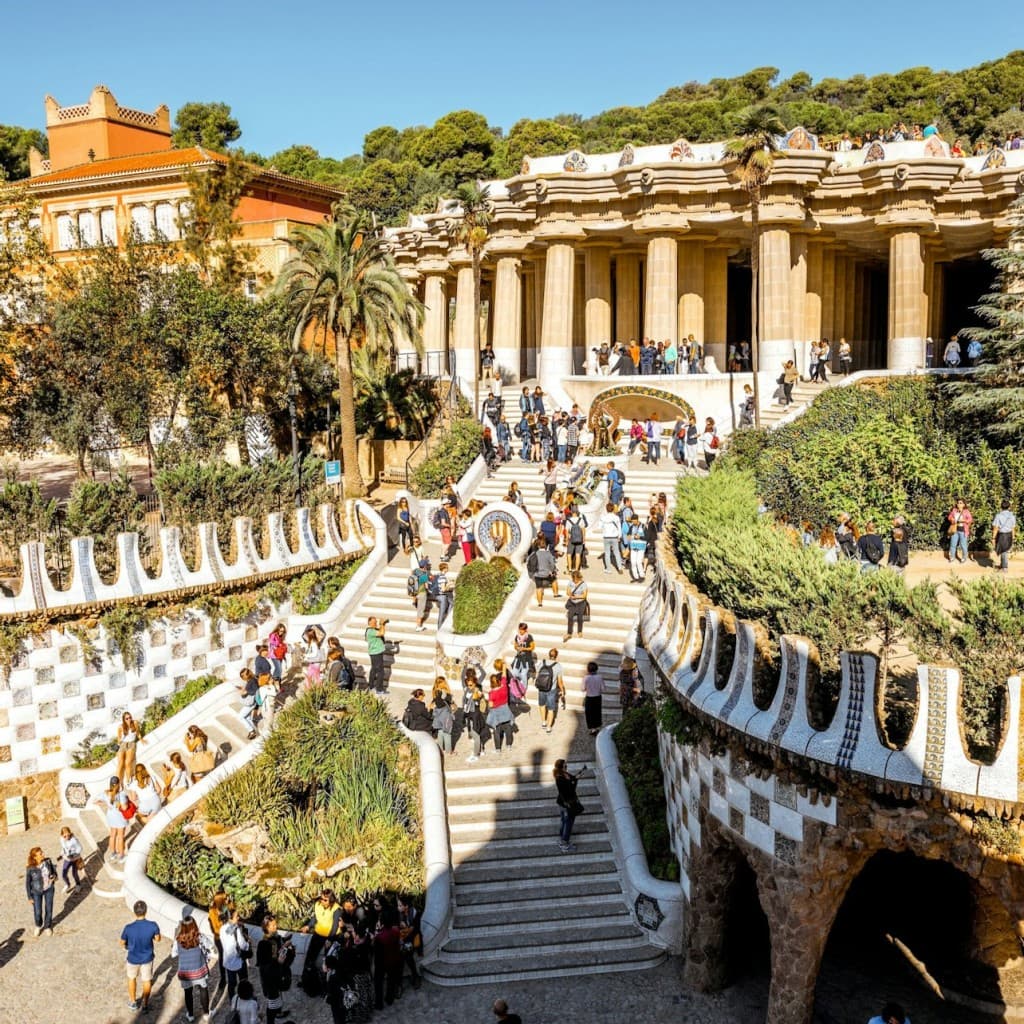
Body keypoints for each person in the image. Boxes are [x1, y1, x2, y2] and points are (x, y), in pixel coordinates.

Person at [172, 913, 215, 1023]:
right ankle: (206, 1013)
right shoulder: (199, 937)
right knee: (203, 989)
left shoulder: (178, 940)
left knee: (188, 992)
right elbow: (211, 947)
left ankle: (190, 1015)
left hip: (185, 972)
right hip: (199, 970)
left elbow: (173, 954)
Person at [121, 899, 161, 1013]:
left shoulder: (128, 928)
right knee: (147, 980)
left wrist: (127, 947)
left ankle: (133, 1002)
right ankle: (145, 1004)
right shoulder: (153, 926)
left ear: (134, 912)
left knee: (131, 978)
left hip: (133, 958)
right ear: (146, 911)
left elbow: (122, 943)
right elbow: (158, 939)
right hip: (147, 958)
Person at [256, 915, 295, 1024]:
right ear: (266, 928)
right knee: (272, 1003)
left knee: (277, 999)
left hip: (276, 976)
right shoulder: (263, 944)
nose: (275, 926)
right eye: (272, 925)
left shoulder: (275, 937)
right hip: (270, 981)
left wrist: (285, 944)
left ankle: (278, 1012)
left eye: (275, 924)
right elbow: (264, 966)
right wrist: (278, 961)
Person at [302, 890, 344, 983]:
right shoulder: (318, 905)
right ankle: (305, 979)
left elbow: (335, 926)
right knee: (310, 957)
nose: (322, 901)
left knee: (328, 961)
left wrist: (330, 939)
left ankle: (326, 984)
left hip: (331, 936)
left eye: (325, 900)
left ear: (331, 900)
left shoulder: (336, 909)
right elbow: (315, 918)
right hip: (318, 934)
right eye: (321, 899)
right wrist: (308, 926)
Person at [372, 904, 403, 1010]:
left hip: (381, 963)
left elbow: (377, 953)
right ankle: (389, 999)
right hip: (393, 961)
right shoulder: (396, 932)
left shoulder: (379, 937)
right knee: (391, 981)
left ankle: (379, 1003)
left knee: (378, 983)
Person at [95, 775, 130, 863]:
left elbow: (95, 801)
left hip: (111, 816)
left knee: (113, 835)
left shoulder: (106, 793)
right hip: (120, 817)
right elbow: (125, 808)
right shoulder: (121, 794)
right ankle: (121, 855)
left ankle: (113, 854)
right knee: (120, 836)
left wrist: (107, 804)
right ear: (119, 784)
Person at [220, 906, 252, 1002]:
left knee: (231, 984)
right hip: (238, 961)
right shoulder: (236, 930)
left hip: (228, 961)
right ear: (230, 918)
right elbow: (242, 945)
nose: (238, 918)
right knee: (243, 981)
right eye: (236, 916)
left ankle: (232, 1000)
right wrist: (248, 943)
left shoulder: (222, 928)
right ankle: (245, 998)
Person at [554, 760, 586, 853]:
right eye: (565, 766)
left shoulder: (564, 774)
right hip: (567, 804)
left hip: (565, 803)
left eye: (566, 766)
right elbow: (570, 790)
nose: (566, 767)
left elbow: (572, 779)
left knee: (564, 820)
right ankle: (564, 844)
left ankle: (562, 836)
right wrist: (575, 781)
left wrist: (576, 777)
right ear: (560, 768)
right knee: (568, 823)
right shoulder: (560, 779)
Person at [25, 846, 56, 936]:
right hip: (36, 892)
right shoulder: (30, 868)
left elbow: (54, 872)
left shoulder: (48, 861)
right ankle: (38, 925)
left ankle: (47, 926)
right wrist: (29, 897)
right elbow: (27, 883)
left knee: (49, 909)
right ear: (35, 857)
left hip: (49, 889)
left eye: (42, 852)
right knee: (38, 911)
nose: (43, 854)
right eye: (40, 854)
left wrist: (53, 877)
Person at [535, 649, 565, 734]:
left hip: (541, 687)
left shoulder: (542, 662)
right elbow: (560, 682)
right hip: (551, 689)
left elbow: (538, 673)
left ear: (549, 655)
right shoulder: (558, 666)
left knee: (542, 705)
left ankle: (543, 722)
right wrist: (562, 691)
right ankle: (548, 727)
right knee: (551, 709)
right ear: (556, 656)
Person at [396, 896, 422, 990]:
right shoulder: (400, 914)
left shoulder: (414, 913)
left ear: (406, 906)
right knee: (402, 957)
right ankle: (413, 977)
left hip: (412, 939)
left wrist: (406, 927)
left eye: (400, 905)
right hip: (403, 939)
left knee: (407, 956)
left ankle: (414, 977)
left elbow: (415, 929)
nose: (398, 907)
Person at [462, 671, 488, 762]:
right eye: (468, 685)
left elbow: (479, 698)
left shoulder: (477, 691)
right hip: (470, 715)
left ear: (474, 683)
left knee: (476, 735)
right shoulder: (467, 690)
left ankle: (476, 754)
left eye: (471, 685)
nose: (469, 686)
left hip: (475, 715)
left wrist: (478, 694)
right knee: (476, 734)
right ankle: (481, 750)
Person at [486, 673, 515, 754]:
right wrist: (504, 663)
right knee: (508, 730)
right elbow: (504, 676)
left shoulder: (491, 693)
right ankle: (509, 745)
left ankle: (498, 749)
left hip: (497, 716)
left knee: (497, 733)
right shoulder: (504, 688)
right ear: (499, 681)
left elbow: (491, 705)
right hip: (506, 713)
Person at [207, 890, 229, 995]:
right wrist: (223, 922)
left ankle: (229, 975)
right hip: (219, 938)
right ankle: (223, 978)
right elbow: (215, 928)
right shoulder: (213, 911)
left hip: (228, 936)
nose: (227, 899)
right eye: (225, 898)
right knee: (222, 957)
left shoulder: (228, 906)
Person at [115, 711, 143, 786]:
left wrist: (142, 739)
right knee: (120, 764)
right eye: (127, 718)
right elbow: (118, 738)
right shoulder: (120, 727)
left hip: (131, 744)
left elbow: (138, 733)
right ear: (124, 719)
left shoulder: (135, 723)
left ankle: (128, 779)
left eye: (130, 717)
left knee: (127, 763)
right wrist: (120, 741)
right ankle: (116, 782)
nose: (129, 719)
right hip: (123, 744)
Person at [364, 616, 388, 694]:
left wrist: (382, 624)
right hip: (376, 653)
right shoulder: (371, 631)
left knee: (374, 669)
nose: (375, 624)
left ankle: (371, 685)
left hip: (374, 652)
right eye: (374, 622)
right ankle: (379, 689)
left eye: (376, 622)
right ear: (369, 623)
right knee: (381, 671)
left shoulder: (371, 630)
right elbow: (382, 633)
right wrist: (382, 624)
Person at [992, 498, 1017, 572]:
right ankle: (1002, 564)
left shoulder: (998, 516)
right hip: (1009, 534)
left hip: (1002, 535)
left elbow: (995, 528)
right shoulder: (1012, 516)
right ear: (1009, 507)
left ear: (1001, 507)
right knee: (1005, 550)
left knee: (1003, 551)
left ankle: (1004, 567)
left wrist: (993, 537)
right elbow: (1013, 527)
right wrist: (1013, 536)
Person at [58, 826, 84, 894]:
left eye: (68, 835)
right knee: (64, 874)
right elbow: (63, 848)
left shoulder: (74, 840)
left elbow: (80, 848)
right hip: (67, 859)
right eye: (65, 836)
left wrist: (74, 854)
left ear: (70, 833)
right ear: (62, 835)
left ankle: (78, 885)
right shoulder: (62, 840)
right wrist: (61, 855)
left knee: (74, 873)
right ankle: (67, 884)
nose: (66, 837)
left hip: (75, 859)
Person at [600, 502, 624, 574]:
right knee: (617, 552)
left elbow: (600, 526)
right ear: (613, 509)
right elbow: (619, 528)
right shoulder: (616, 518)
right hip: (614, 537)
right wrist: (619, 536)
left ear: (606, 509)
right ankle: (619, 567)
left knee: (607, 553)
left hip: (606, 536)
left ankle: (608, 569)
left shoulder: (603, 517)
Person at [564, 570, 588, 641]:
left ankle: (580, 631)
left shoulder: (583, 584)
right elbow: (567, 591)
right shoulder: (570, 583)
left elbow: (584, 595)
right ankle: (569, 633)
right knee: (570, 617)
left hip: (581, 603)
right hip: (572, 603)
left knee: (580, 618)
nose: (575, 581)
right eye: (573, 579)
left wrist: (576, 597)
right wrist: (570, 594)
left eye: (576, 579)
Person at [582, 661, 604, 735]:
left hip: (589, 697)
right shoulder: (600, 677)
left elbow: (583, 689)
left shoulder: (586, 678)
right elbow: (603, 688)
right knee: (597, 712)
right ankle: (597, 727)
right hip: (598, 697)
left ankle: (592, 729)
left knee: (590, 713)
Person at [948, 498, 973, 563]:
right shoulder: (954, 510)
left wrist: (964, 520)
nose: (959, 504)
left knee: (963, 545)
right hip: (955, 530)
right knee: (953, 544)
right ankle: (952, 557)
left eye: (960, 503)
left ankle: (964, 558)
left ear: (964, 505)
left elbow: (970, 519)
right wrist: (952, 519)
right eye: (958, 503)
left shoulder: (966, 511)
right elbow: (949, 517)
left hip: (963, 530)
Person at [564, 506, 588, 573]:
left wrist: (566, 540)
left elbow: (566, 531)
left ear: (571, 512)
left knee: (569, 554)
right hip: (579, 539)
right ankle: (577, 570)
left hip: (571, 539)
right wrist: (583, 538)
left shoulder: (568, 521)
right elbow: (583, 530)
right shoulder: (581, 520)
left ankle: (570, 569)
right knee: (578, 554)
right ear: (577, 512)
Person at [411, 558, 431, 632]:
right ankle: (418, 626)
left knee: (419, 608)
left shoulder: (415, 571)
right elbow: (426, 585)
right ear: (425, 566)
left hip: (415, 593)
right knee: (421, 610)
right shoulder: (424, 573)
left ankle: (414, 601)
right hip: (422, 593)